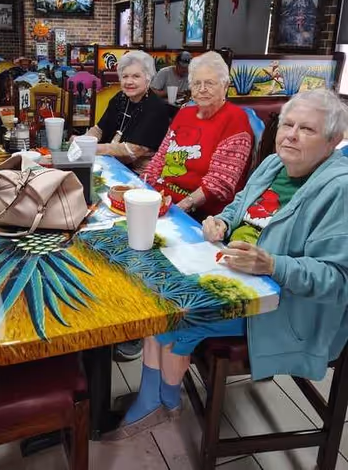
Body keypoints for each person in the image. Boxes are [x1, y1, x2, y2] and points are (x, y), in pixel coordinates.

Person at [107, 89, 348, 440]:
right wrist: (220, 220)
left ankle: (163, 404)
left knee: (179, 317)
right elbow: (239, 207)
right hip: (236, 274)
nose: (292, 135)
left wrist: (273, 265)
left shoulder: (339, 190)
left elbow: (338, 280)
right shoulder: (274, 163)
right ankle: (155, 396)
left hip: (285, 306)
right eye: (288, 124)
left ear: (333, 141)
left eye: (307, 130)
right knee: (156, 290)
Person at [143, 51, 253, 218]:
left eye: (209, 83)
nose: (202, 89)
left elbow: (219, 184)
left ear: (225, 86)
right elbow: (160, 157)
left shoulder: (235, 119)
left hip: (199, 213)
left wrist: (177, 210)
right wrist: (144, 187)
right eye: (196, 83)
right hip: (161, 199)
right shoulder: (185, 113)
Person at [84, 50, 170, 175]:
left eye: (136, 76)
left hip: (139, 172)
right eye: (125, 76)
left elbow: (132, 150)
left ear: (148, 79)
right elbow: (99, 129)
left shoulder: (155, 107)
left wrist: (90, 148)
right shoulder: (120, 98)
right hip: (110, 162)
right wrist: (82, 141)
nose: (129, 82)